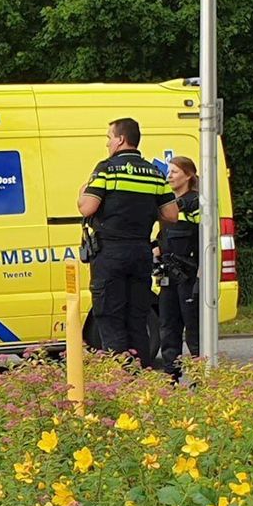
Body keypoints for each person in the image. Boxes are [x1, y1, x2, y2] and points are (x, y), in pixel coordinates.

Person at [77, 118, 178, 368]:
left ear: (120, 139)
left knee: (110, 316)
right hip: (140, 252)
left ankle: (119, 378)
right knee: (136, 317)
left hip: (110, 253)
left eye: (109, 137)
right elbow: (171, 216)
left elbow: (88, 207)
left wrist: (81, 194)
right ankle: (138, 375)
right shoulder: (155, 173)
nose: (108, 143)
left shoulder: (106, 169)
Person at [154, 156, 201, 381]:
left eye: (174, 172)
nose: (169, 175)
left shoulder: (195, 202)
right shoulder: (169, 203)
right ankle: (171, 377)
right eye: (169, 171)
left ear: (188, 175)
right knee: (168, 327)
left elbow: (203, 233)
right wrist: (155, 249)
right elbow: (162, 236)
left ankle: (202, 377)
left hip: (189, 274)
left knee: (193, 328)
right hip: (169, 273)